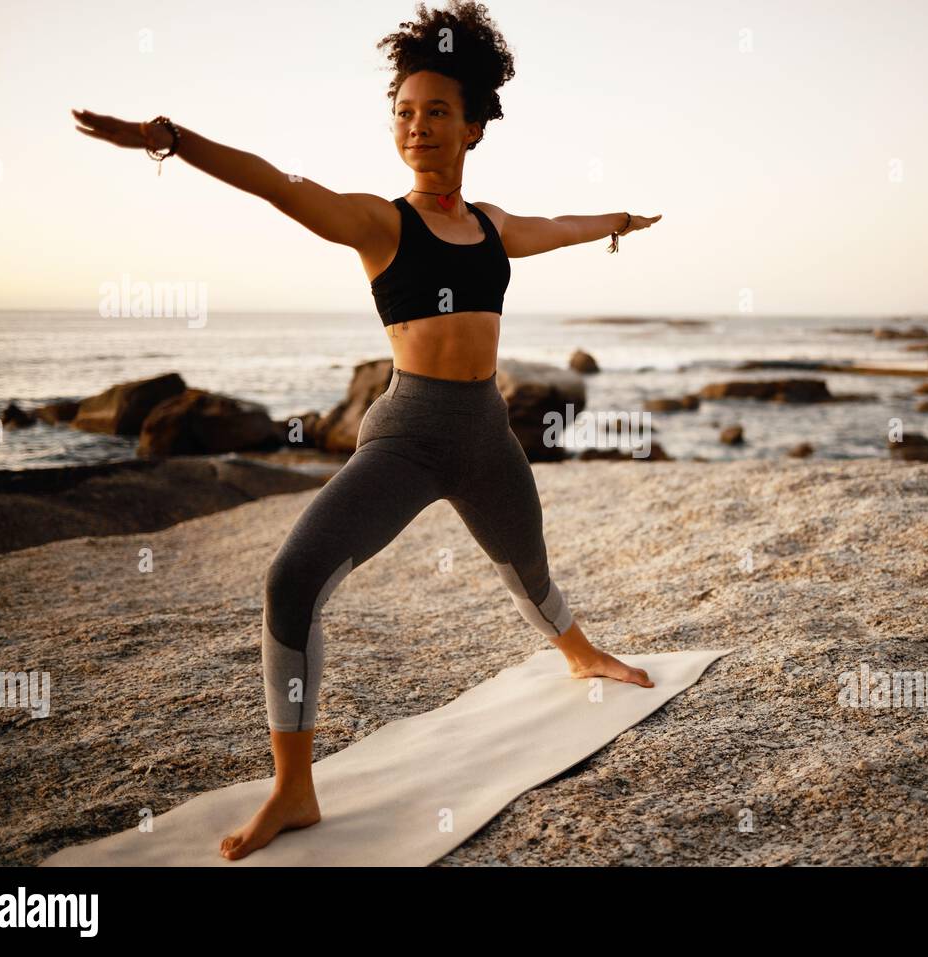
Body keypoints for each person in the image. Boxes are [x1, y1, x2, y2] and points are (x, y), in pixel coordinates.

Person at [71, 0, 662, 862]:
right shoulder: (382, 224)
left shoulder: (492, 227)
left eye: (437, 112)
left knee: (527, 570)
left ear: (474, 127)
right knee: (294, 577)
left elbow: (561, 228)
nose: (417, 127)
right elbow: (277, 182)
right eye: (404, 112)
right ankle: (294, 788)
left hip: (487, 434)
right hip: (408, 435)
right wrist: (169, 138)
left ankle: (580, 655)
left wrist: (616, 224)